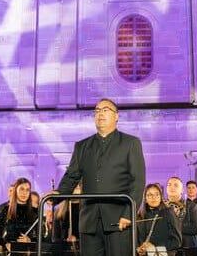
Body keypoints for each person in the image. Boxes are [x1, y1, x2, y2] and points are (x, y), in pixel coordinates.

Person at [56, 98, 147, 256]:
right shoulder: (82, 146)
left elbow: (137, 182)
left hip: (119, 219)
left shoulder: (130, 143)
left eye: (105, 110)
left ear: (116, 116)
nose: (100, 114)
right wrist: (58, 194)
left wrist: (128, 213)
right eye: (97, 111)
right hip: (89, 221)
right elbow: (72, 176)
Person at [137, 183, 181, 254]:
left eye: (157, 194)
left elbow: (177, 242)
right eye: (150, 195)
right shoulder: (140, 216)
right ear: (145, 199)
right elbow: (139, 240)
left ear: (161, 197)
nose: (153, 197)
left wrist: (154, 247)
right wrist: (140, 249)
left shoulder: (168, 213)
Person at [0, 178, 40, 250]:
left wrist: (29, 240)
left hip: (28, 250)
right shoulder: (6, 209)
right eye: (21, 189)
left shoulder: (35, 211)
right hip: (10, 251)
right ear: (15, 190)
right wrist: (6, 244)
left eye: (27, 190)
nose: (24, 193)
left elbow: (41, 237)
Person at [184, 180, 197, 247]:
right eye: (189, 188)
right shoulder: (182, 205)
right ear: (186, 190)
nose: (191, 190)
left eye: (193, 187)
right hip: (185, 237)